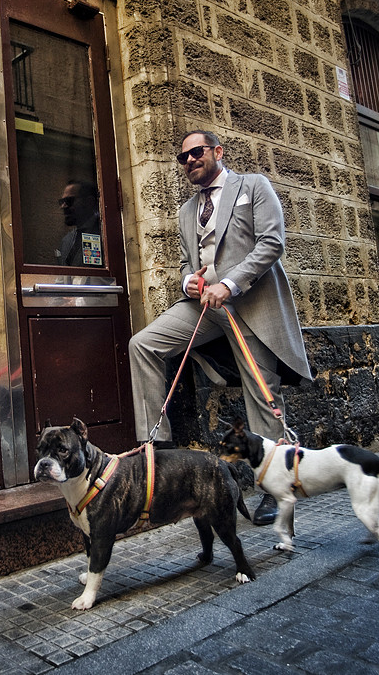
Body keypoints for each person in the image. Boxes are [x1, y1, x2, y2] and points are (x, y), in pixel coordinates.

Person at [128, 130, 313, 525]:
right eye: (184, 158)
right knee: (143, 344)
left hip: (251, 304)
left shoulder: (253, 186)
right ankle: (156, 448)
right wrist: (187, 283)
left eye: (197, 152)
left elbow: (272, 242)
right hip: (205, 307)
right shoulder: (185, 212)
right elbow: (184, 262)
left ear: (217, 151)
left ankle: (276, 488)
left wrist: (229, 284)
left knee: (262, 395)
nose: (190, 160)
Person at [56, 180, 103, 267]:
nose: (63, 206)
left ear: (90, 202)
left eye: (69, 201)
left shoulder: (105, 235)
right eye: (61, 202)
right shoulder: (66, 241)